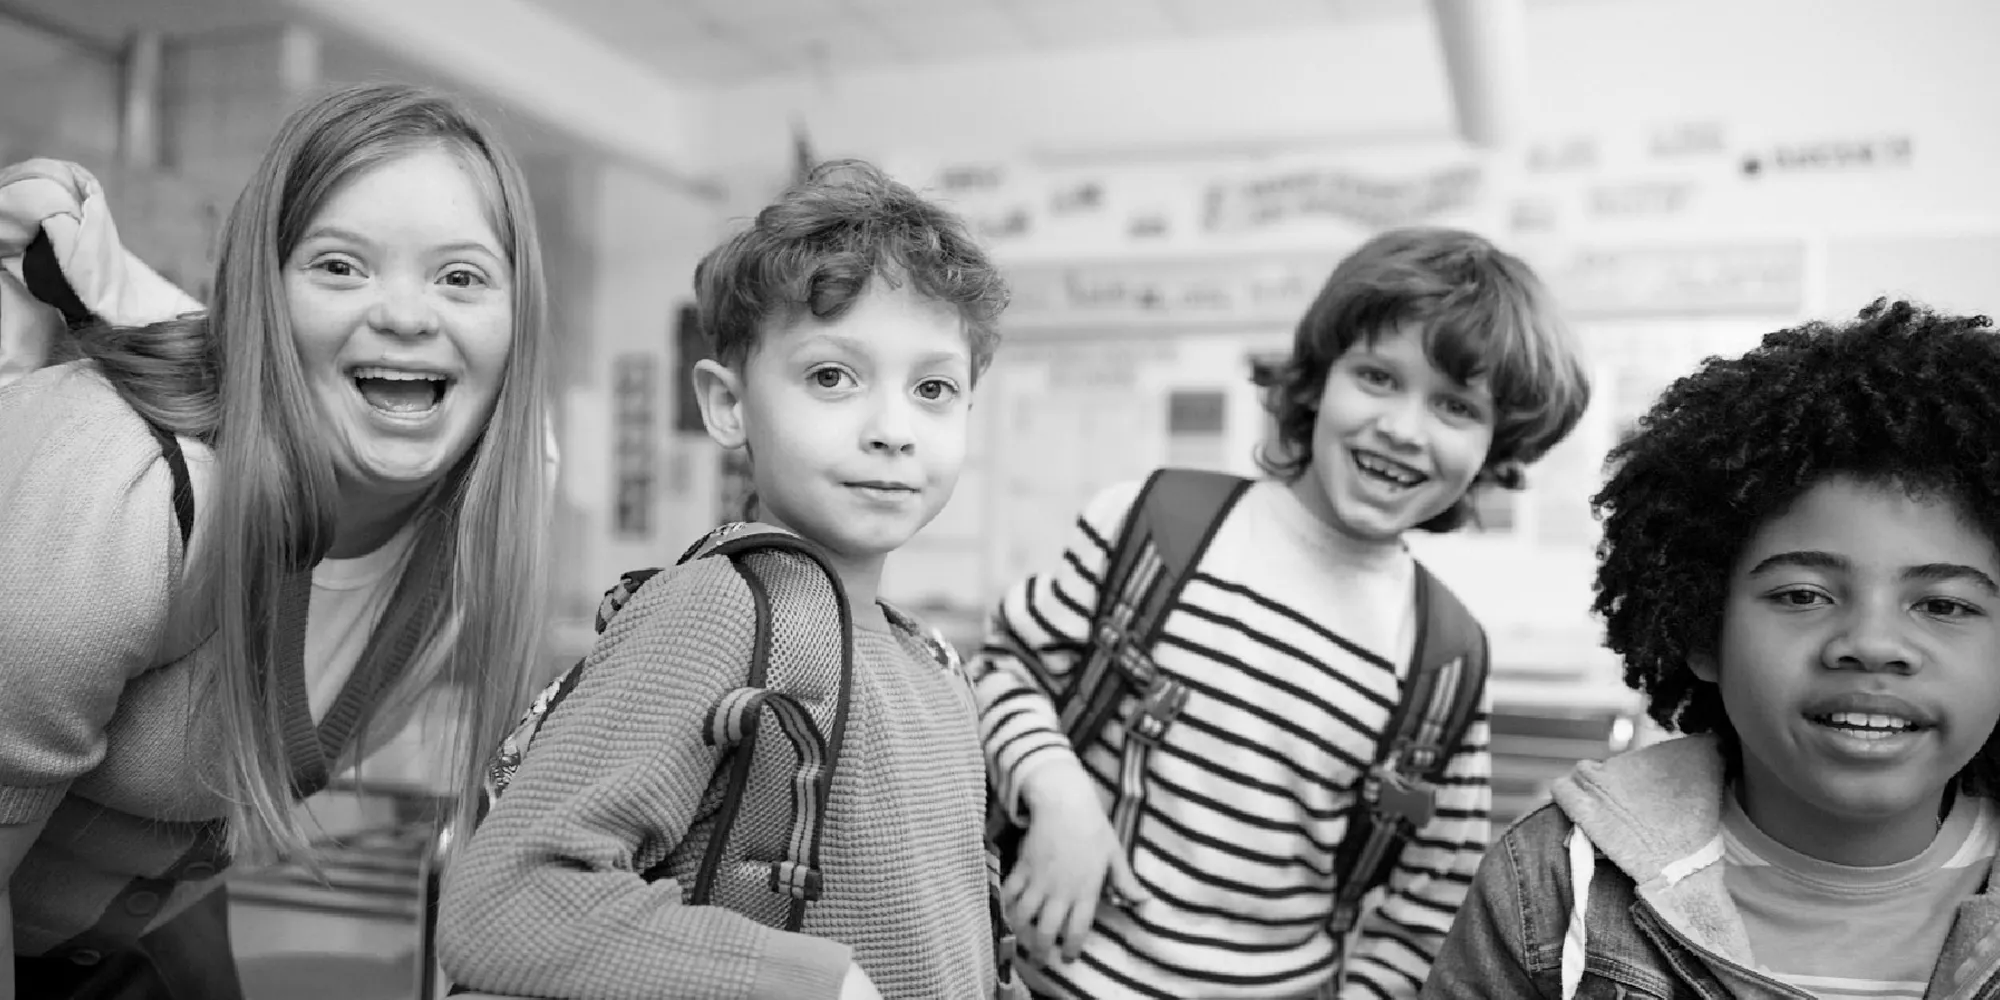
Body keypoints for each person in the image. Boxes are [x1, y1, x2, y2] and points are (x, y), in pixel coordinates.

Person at [0, 82, 556, 1000]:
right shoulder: (125, 489)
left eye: (461, 276)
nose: (409, 316)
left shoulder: (461, 530)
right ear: (266, 292)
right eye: (340, 266)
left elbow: (337, 889)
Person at [435, 159, 1014, 1000]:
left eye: (933, 387)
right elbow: (507, 902)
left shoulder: (928, 661)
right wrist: (813, 983)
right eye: (831, 377)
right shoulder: (721, 610)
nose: (893, 429)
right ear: (728, 405)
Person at [974, 227, 1593, 998]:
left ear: (1498, 449)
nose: (1402, 428)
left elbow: (1427, 908)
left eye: (1455, 406)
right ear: (1317, 379)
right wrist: (1055, 793)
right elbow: (1000, 674)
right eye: (1377, 375)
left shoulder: (1447, 660)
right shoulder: (1149, 523)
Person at [1423, 299, 2000, 999]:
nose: (1872, 645)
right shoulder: (1552, 884)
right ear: (1702, 632)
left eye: (1943, 605)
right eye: (1801, 595)